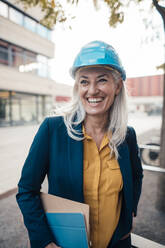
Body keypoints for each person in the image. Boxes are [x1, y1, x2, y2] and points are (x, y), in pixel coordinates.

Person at [16, 40, 143, 248]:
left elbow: (136, 176)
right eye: (84, 82)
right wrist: (44, 242)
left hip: (117, 243)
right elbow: (26, 190)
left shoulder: (126, 135)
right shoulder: (52, 130)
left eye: (102, 80)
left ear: (117, 86)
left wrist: (130, 213)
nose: (92, 91)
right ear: (77, 87)